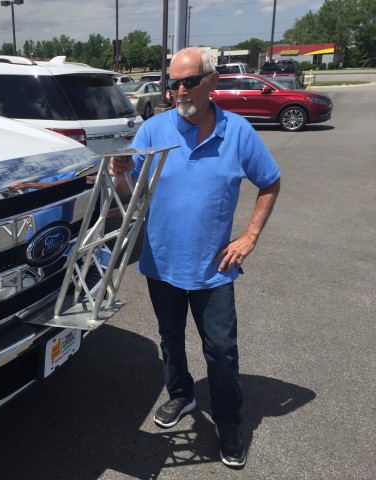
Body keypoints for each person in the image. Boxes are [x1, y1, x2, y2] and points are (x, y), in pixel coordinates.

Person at [110, 47, 281, 468]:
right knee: (170, 340)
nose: (180, 90)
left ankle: (227, 424)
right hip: (162, 263)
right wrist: (119, 174)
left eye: (189, 81)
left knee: (221, 350)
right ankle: (182, 395)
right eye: (173, 83)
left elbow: (270, 183)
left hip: (214, 268)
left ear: (212, 81)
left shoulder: (238, 132)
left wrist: (249, 237)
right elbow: (134, 200)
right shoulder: (151, 130)